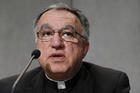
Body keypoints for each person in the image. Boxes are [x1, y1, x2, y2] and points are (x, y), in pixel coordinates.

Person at [0, 3, 130, 93]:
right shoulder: (11, 88)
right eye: (47, 34)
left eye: (68, 34)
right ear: (37, 45)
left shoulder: (112, 85)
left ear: (84, 48)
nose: (56, 43)